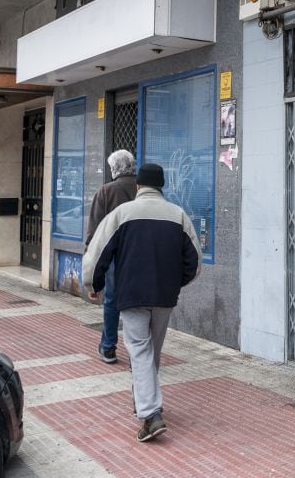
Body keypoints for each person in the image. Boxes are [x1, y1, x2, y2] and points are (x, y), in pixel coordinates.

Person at [82, 163, 201, 443]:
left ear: (138, 186)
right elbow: (194, 261)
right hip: (164, 297)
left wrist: (93, 284)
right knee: (151, 352)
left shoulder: (121, 214)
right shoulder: (178, 215)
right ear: (161, 186)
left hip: (132, 294)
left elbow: (97, 253)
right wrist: (176, 282)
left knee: (139, 350)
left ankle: (150, 414)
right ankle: (144, 402)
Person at [85, 149, 138, 363]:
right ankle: (140, 351)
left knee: (112, 302)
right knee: (139, 304)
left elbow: (95, 233)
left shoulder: (106, 192)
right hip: (141, 255)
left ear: (114, 169)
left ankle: (108, 347)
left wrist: (91, 276)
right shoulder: (143, 189)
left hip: (116, 256)